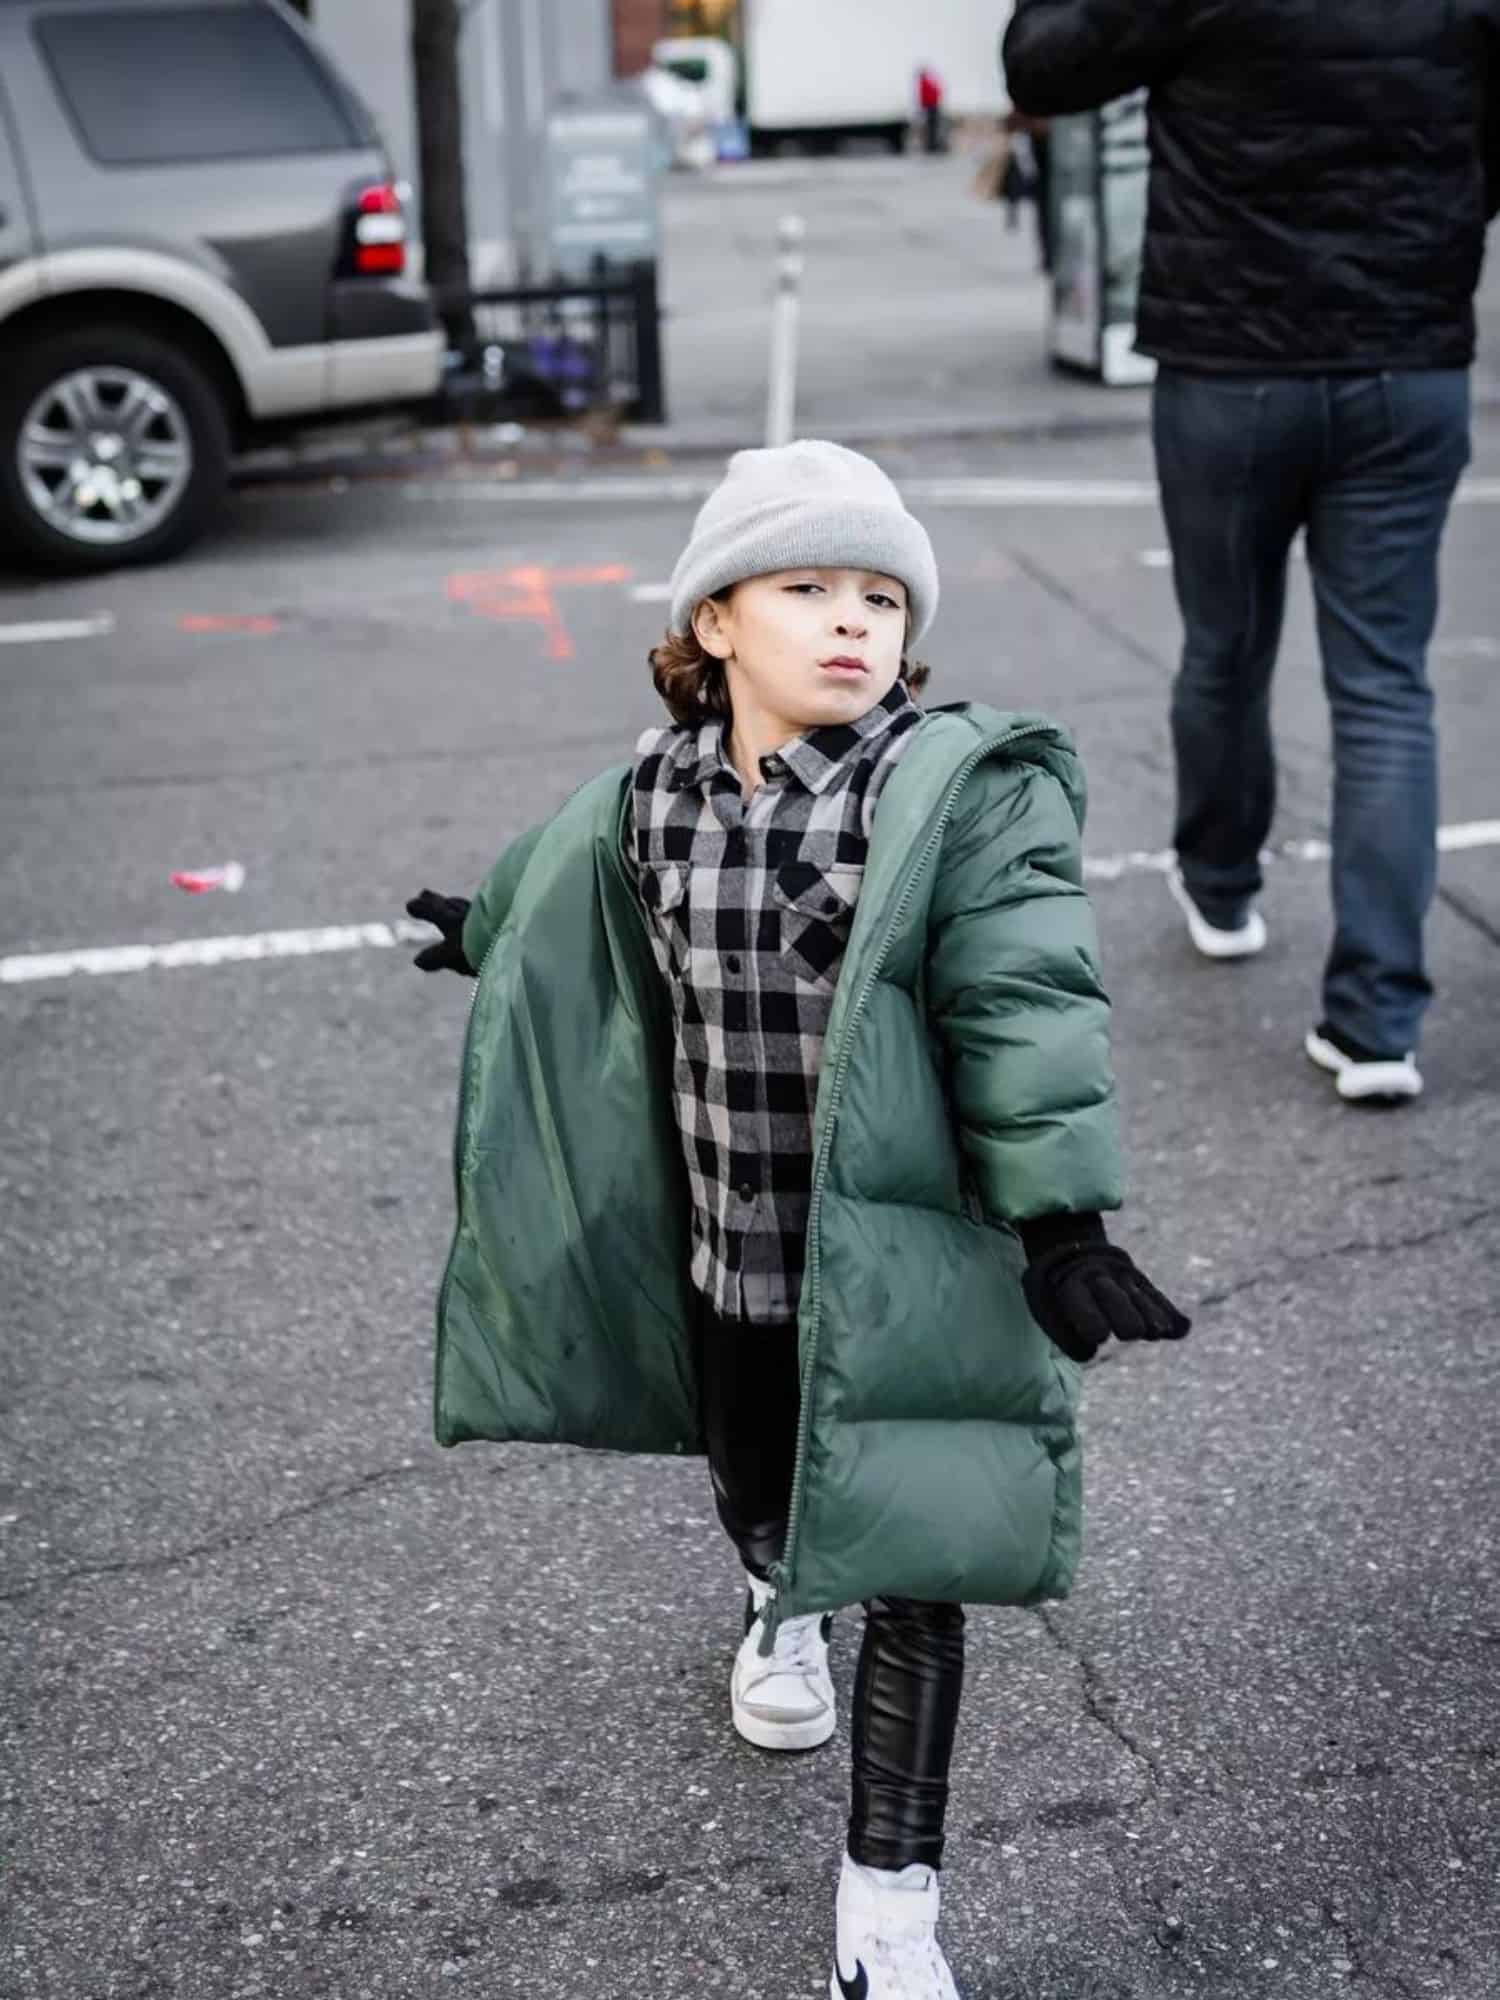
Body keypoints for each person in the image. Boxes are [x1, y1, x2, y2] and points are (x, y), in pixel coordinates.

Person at [406, 441, 1190, 2000]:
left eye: (883, 595)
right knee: (759, 1486)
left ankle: (889, 1914)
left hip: (903, 1268)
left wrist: (1062, 1227)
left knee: (915, 1570)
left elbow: (1028, 1003)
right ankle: (776, 1596)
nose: (854, 621)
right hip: (726, 1258)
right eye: (809, 587)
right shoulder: (653, 790)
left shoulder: (952, 796)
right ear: (714, 623)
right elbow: (558, 878)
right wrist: (478, 929)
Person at [1003, 0, 1500, 1104]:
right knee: (1384, 688)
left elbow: (1041, 68)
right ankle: (1377, 1022)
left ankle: (1223, 885)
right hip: (1406, 359)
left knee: (1225, 645)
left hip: (1231, 367)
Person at [917, 65, 945, 155]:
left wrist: (923, 107)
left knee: (931, 128)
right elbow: (936, 92)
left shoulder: (925, 82)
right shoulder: (927, 82)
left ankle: (931, 146)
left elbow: (925, 96)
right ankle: (931, 145)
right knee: (932, 128)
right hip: (931, 107)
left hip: (930, 107)